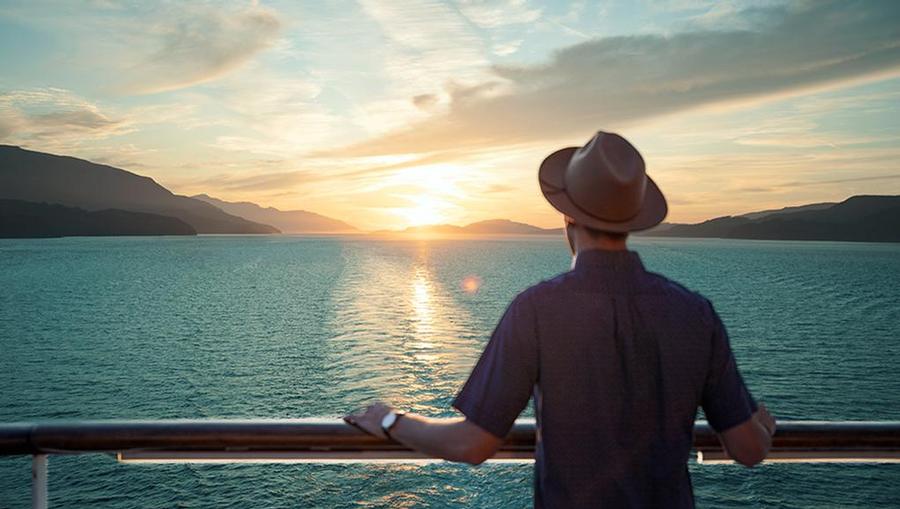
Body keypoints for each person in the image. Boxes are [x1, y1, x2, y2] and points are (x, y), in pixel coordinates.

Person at [345, 131, 776, 508]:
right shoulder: (694, 312)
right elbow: (749, 449)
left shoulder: (536, 309)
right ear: (632, 219)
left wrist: (389, 420)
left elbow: (473, 444)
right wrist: (760, 423)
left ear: (567, 216)